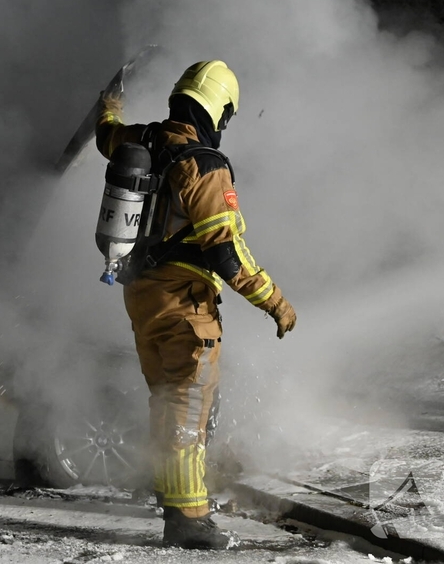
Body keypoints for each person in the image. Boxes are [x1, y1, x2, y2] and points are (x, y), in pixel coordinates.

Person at [95, 59, 297, 549]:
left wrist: (108, 109)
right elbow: (226, 251)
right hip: (185, 302)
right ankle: (189, 520)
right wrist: (275, 301)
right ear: (217, 109)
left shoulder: (143, 138)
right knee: (188, 407)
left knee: (166, 399)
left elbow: (107, 137)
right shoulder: (205, 163)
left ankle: (172, 498)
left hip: (141, 294)